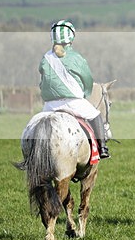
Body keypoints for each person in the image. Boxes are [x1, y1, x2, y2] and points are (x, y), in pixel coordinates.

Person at [39, 20, 111, 158]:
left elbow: (42, 83)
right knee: (95, 115)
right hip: (73, 103)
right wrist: (85, 93)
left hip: (49, 105)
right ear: (71, 38)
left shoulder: (45, 58)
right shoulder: (77, 57)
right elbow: (87, 80)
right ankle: (102, 148)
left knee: (36, 125)